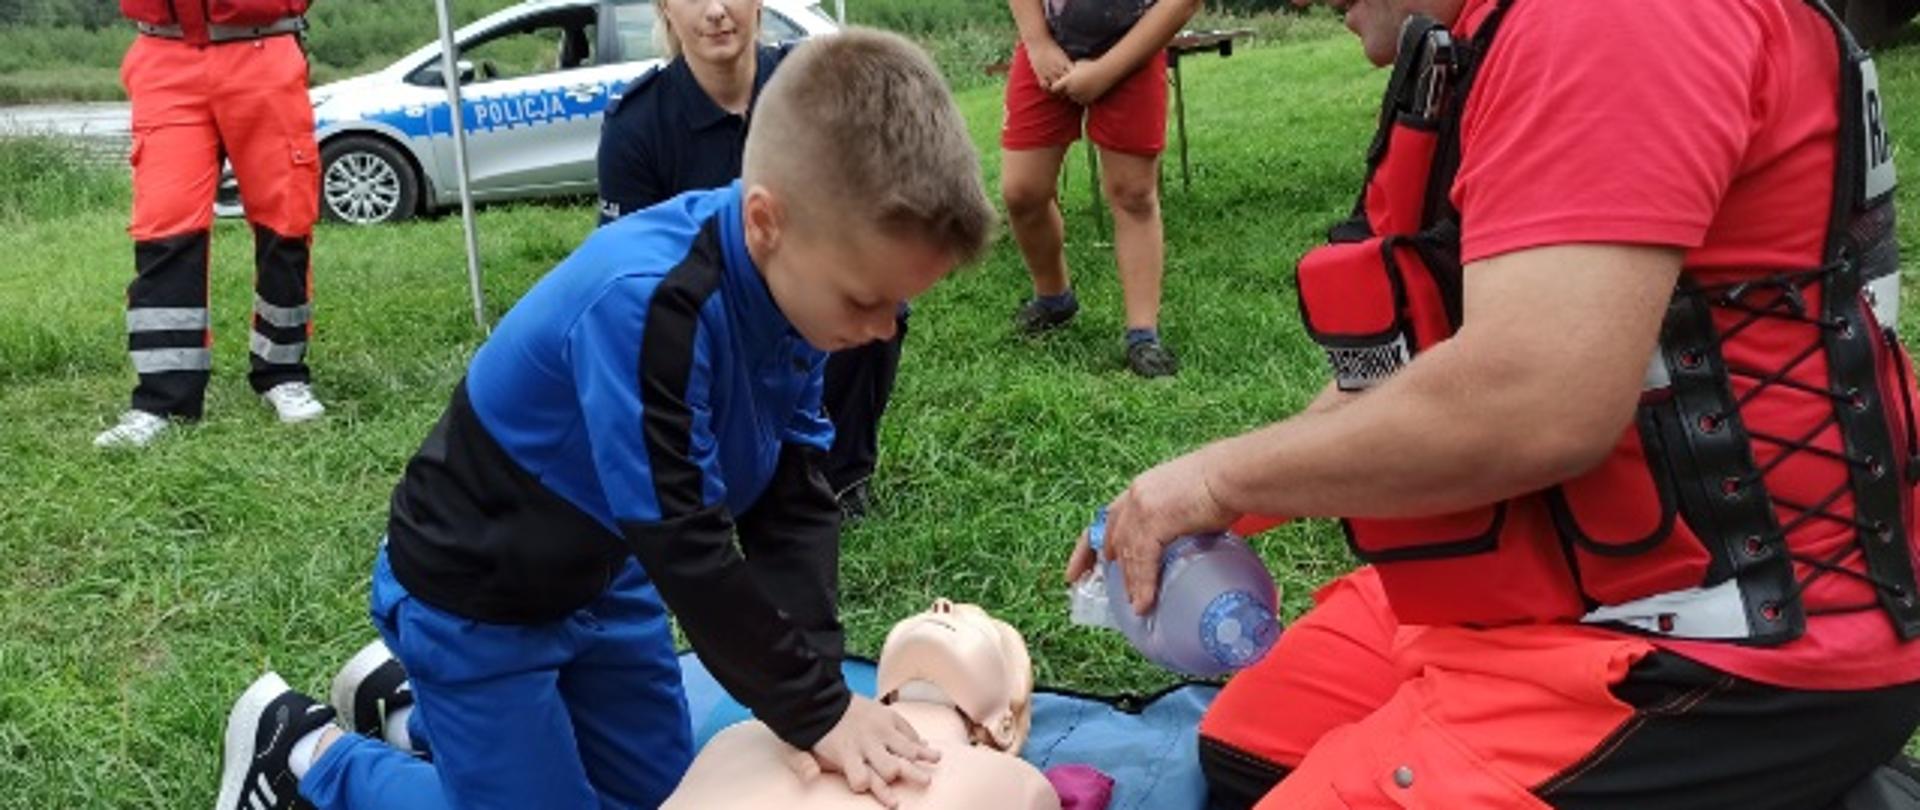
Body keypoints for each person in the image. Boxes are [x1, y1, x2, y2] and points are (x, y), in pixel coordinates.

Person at [1072, 0, 1920, 807]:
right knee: (1246, 748)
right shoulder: (1511, 35)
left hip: (1718, 656)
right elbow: (1443, 361)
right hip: (1554, 586)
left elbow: (1537, 399)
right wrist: (1187, 495)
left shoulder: (1608, 28)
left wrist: (1223, 484)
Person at [212, 29, 996, 810]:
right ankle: (303, 753)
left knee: (666, 798)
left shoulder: (803, 289)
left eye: (900, 304)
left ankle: (423, 713)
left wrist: (814, 692)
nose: (886, 329)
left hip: (608, 578)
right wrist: (817, 710)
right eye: (866, 300)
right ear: (765, 223)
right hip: (479, 595)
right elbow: (687, 543)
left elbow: (790, 502)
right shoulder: (647, 303)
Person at [598, 0, 905, 518]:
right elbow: (627, 279)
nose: (716, 11)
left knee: (877, 304)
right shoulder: (636, 125)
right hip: (706, 313)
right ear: (665, 9)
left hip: (810, 286)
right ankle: (719, 475)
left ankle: (844, 475)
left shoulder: (812, 84)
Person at [96, 0, 326, 449]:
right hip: (164, 55)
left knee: (285, 220)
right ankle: (161, 401)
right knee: (165, 225)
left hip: (265, 48)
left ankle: (282, 373)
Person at [663, 599, 1062, 810]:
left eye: (972, 622)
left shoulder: (1015, 783)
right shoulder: (744, 739)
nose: (942, 604)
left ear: (1004, 724)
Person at [1001, 0, 1198, 378]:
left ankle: (1143, 335)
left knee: (1133, 194)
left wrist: (1107, 71)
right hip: (1047, 46)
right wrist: (1038, 43)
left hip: (1134, 49)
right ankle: (1053, 297)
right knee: (1023, 192)